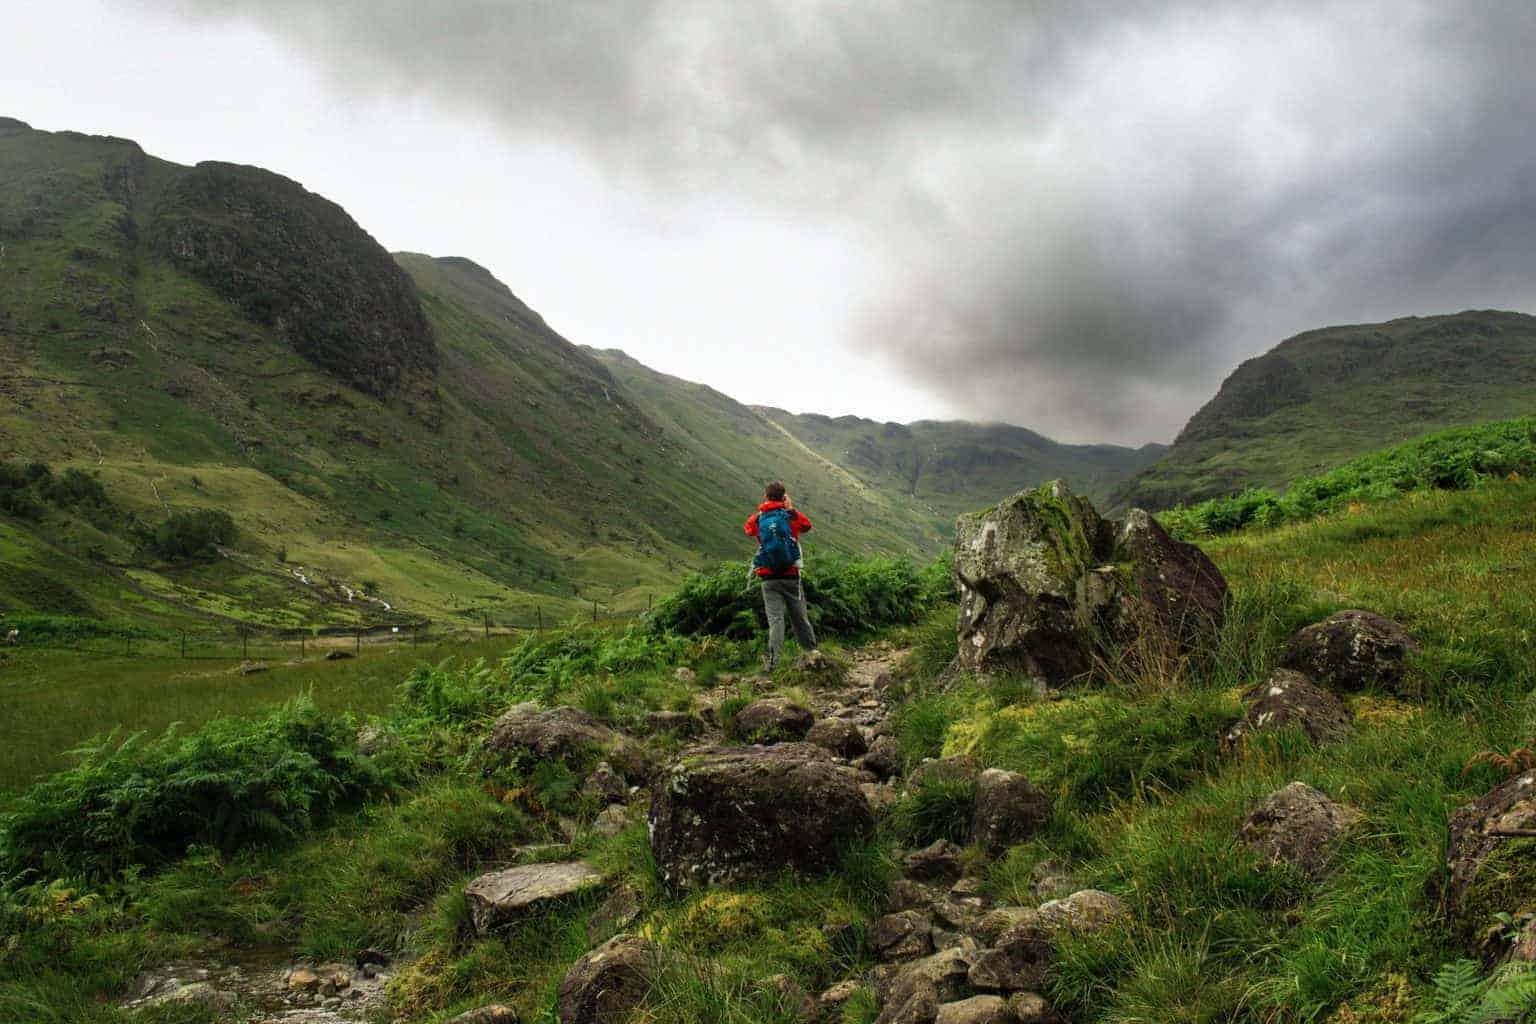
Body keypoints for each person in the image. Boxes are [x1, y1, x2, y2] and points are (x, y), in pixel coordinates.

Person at [744, 481, 817, 671]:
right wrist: (790, 508)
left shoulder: (760, 519)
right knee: (800, 617)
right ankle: (812, 653)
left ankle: (774, 663)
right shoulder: (790, 516)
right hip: (791, 575)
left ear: (766, 496)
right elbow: (807, 526)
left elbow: (748, 529)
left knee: (776, 621)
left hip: (768, 577)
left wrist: (762, 511)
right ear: (784, 497)